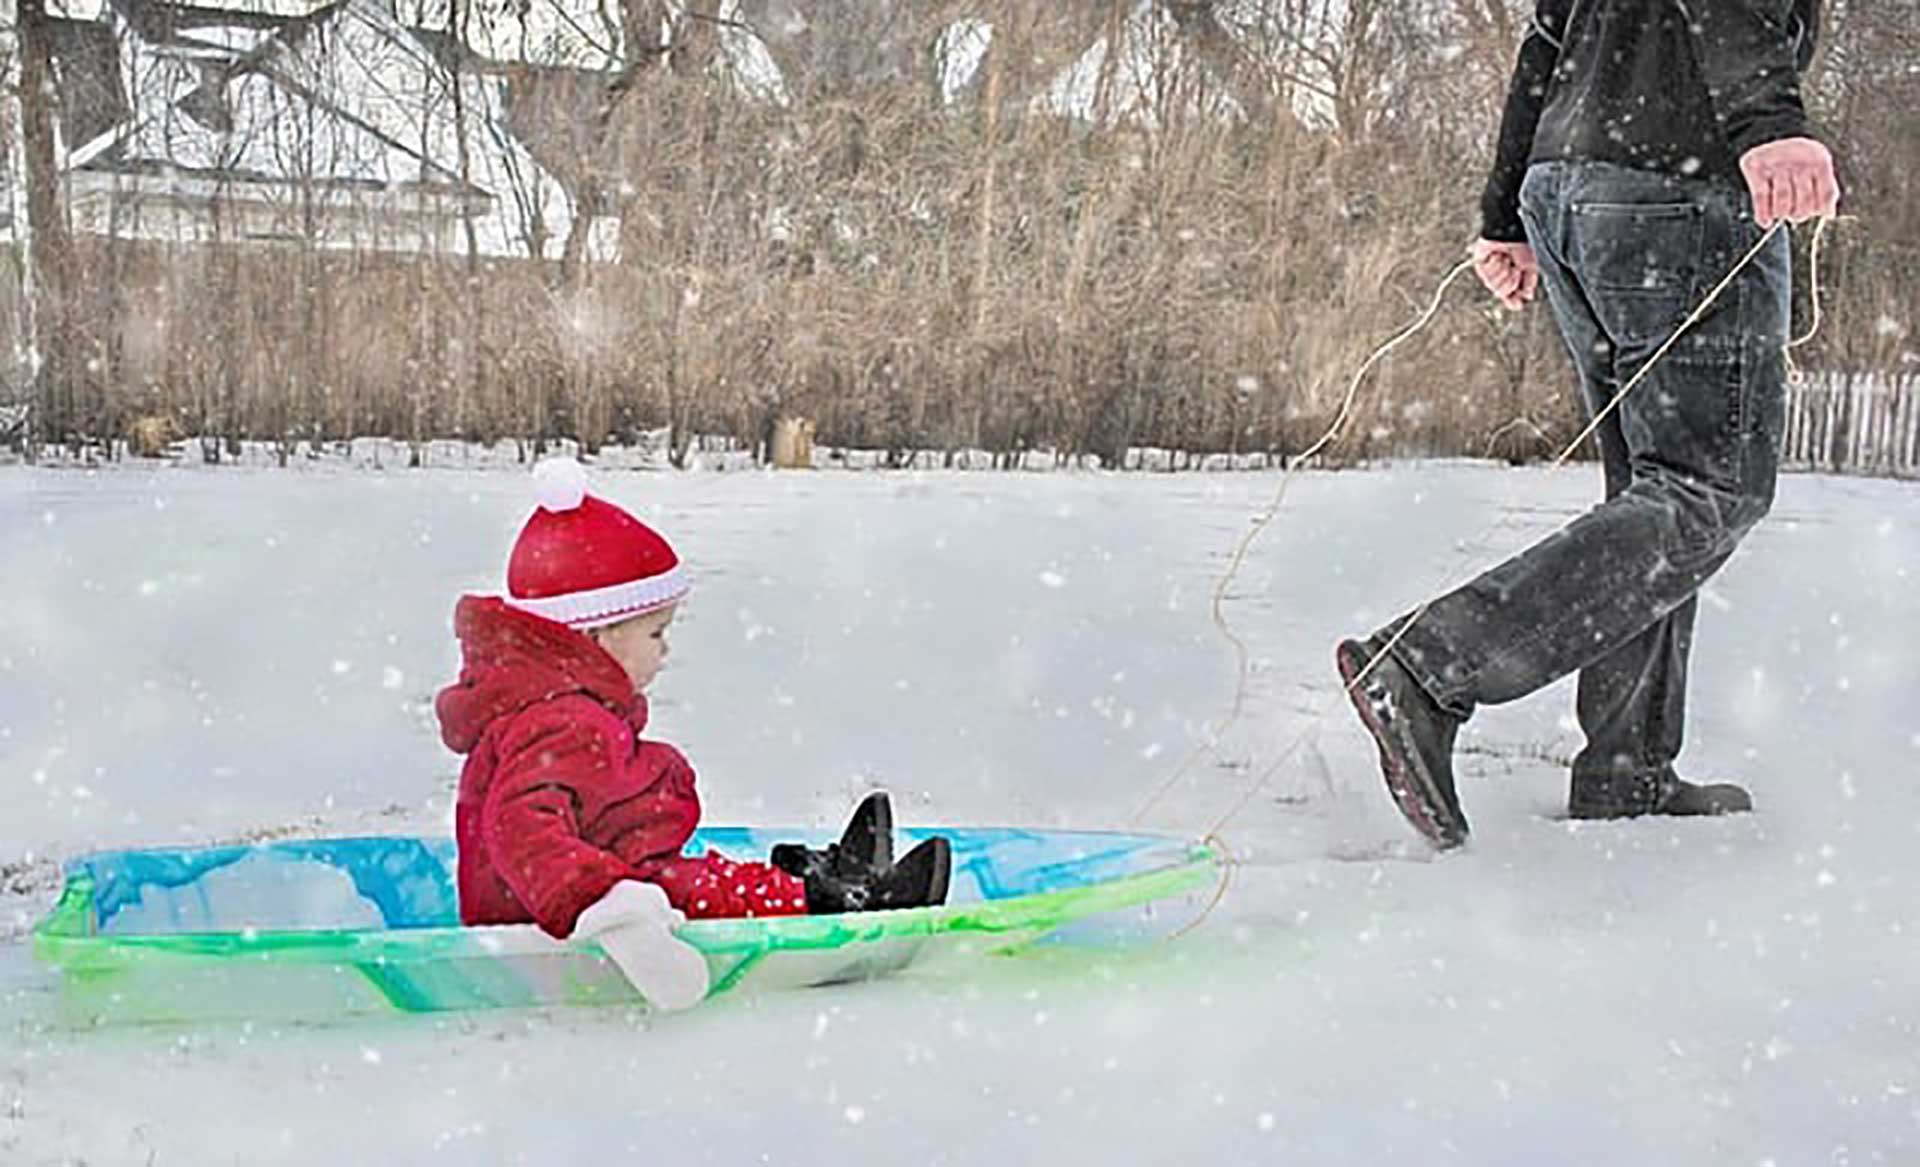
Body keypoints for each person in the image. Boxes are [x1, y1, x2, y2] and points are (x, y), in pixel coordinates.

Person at [1337, 0, 1840, 848]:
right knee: (1709, 489)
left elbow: (1546, 36)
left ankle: (1627, 768)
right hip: (1678, 191)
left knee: (1653, 492)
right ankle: (1429, 668)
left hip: (1574, 189)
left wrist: (1507, 211)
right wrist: (1769, 123)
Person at [437, 457, 950, 1006]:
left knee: (696, 875)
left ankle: (815, 880)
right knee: (697, 890)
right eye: (655, 633)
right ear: (595, 637)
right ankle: (835, 903)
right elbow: (521, 829)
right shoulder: (562, 720)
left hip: (583, 881)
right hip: (561, 909)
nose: (665, 650)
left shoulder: (555, 707)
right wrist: (606, 903)